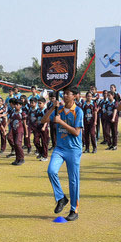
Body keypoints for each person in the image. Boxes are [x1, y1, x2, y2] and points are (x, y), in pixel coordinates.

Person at [43, 86, 83, 220]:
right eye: (64, 94)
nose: (64, 96)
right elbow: (43, 120)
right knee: (51, 171)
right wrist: (51, 108)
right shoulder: (58, 109)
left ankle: (74, 210)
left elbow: (77, 132)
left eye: (68, 94)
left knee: (73, 181)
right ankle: (61, 198)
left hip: (73, 150)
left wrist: (60, 122)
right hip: (59, 148)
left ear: (75, 96)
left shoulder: (78, 111)